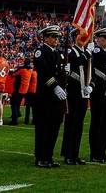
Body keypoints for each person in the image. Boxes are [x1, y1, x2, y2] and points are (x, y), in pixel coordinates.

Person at [32, 25, 67, 168]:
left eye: (57, 37)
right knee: (43, 127)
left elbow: (59, 73)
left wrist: (65, 73)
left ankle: (49, 156)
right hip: (45, 95)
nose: (56, 39)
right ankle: (40, 157)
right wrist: (55, 86)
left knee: (54, 127)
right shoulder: (41, 52)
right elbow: (44, 73)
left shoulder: (58, 54)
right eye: (53, 36)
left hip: (55, 98)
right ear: (46, 37)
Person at [60, 34, 91, 165]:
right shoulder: (71, 52)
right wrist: (88, 52)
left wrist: (91, 86)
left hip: (83, 93)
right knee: (70, 124)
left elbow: (90, 70)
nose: (83, 39)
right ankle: (68, 154)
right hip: (73, 92)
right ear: (75, 38)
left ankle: (75, 153)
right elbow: (79, 61)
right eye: (81, 37)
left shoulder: (85, 54)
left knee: (79, 125)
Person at [87, 27, 106, 163]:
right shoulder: (97, 51)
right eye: (104, 39)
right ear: (98, 39)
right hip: (98, 92)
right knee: (97, 124)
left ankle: (102, 151)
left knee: (105, 125)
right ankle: (95, 152)